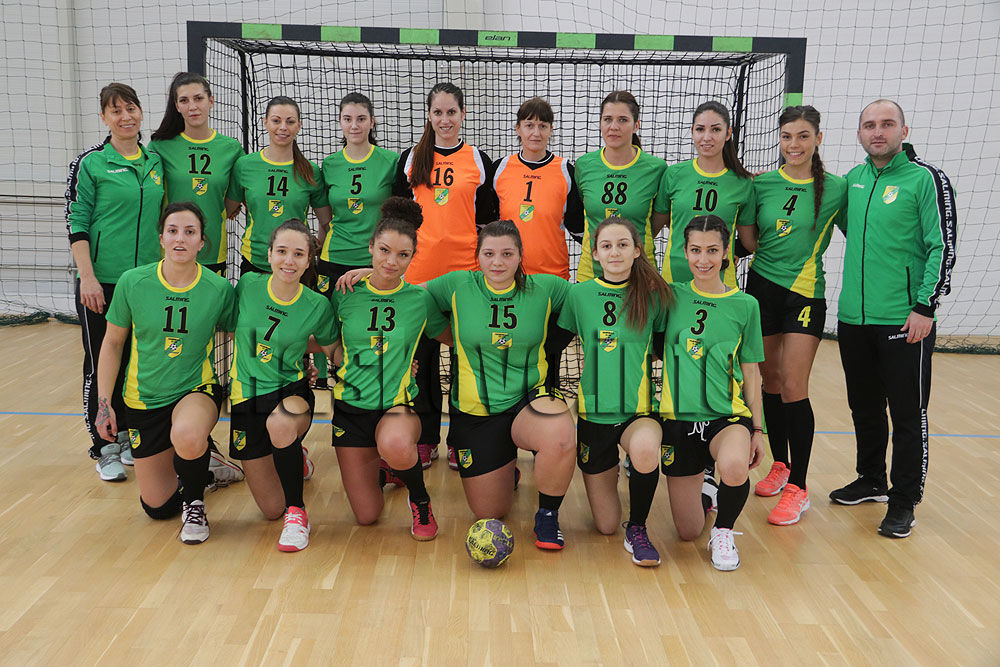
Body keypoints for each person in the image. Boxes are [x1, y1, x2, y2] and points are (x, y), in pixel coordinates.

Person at [830, 99, 957, 539]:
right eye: (869, 125)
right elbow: (850, 228)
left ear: (904, 131)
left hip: (905, 321)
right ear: (859, 133)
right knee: (864, 408)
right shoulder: (854, 180)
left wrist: (925, 307)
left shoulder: (926, 179)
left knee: (907, 414)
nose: (877, 132)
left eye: (887, 124)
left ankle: (904, 501)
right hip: (854, 319)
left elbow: (943, 246)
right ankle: (871, 480)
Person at [425, 220, 576, 550]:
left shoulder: (545, 288)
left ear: (520, 256)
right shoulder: (457, 284)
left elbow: (591, 298)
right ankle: (506, 469)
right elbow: (409, 296)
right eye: (489, 254)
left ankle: (547, 516)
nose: (497, 262)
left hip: (529, 399)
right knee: (489, 512)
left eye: (507, 254)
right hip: (476, 413)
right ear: (477, 256)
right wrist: (369, 275)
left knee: (561, 435)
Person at [94, 202, 237, 544]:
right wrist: (104, 404)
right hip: (144, 400)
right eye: (172, 231)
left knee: (186, 434)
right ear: (161, 238)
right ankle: (207, 467)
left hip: (195, 389)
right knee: (158, 508)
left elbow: (240, 336)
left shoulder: (218, 289)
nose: (180, 239)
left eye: (190, 232)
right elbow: (112, 344)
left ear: (202, 241)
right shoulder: (133, 282)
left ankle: (195, 504)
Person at [739, 106, 847, 525]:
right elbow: (749, 240)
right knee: (770, 381)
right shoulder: (762, 184)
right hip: (762, 290)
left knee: (794, 386)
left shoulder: (837, 189)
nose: (794, 144)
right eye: (787, 136)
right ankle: (780, 465)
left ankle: (799, 488)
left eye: (803, 136)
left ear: (818, 138)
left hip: (804, 294)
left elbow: (860, 233)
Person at [393, 82, 497, 470]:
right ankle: (425, 439)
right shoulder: (410, 158)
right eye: (437, 112)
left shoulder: (478, 160)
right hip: (418, 280)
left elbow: (488, 221)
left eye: (451, 112)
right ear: (429, 115)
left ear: (463, 114)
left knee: (462, 365)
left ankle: (459, 440)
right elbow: (397, 220)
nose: (445, 119)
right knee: (421, 363)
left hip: (465, 280)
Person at [557, 218, 671, 566]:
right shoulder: (579, 295)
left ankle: (638, 528)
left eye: (623, 244)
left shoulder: (654, 296)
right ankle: (616, 476)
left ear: (637, 251)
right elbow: (554, 345)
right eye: (606, 246)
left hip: (638, 411)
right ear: (594, 254)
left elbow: (664, 350)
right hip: (594, 414)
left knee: (646, 449)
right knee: (606, 525)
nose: (615, 252)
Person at [66, 82, 165, 481]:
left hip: (145, 283)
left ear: (140, 112)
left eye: (131, 108)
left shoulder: (155, 161)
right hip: (102, 283)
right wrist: (87, 277)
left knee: (135, 363)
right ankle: (103, 445)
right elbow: (76, 222)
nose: (126, 117)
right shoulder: (90, 163)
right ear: (104, 118)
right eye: (116, 110)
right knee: (100, 365)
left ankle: (124, 435)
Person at [330, 216, 452, 540]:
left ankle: (420, 500)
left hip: (397, 407)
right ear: (371, 247)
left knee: (396, 443)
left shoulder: (420, 300)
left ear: (413, 257)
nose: (391, 261)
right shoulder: (345, 292)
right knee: (367, 516)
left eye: (402, 255)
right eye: (384, 250)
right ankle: (390, 471)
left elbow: (452, 337)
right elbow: (329, 342)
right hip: (351, 409)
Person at [658, 215, 764, 571]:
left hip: (726, 416)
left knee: (734, 466)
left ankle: (724, 530)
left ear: (726, 252)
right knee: (688, 530)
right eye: (695, 250)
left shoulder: (745, 305)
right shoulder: (670, 296)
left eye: (712, 250)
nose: (703, 259)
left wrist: (758, 429)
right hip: (678, 420)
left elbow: (752, 372)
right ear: (685, 252)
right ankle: (707, 490)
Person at [229, 219, 338, 551]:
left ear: (308, 261)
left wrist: (388, 363)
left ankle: (298, 513)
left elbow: (333, 350)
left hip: (291, 391)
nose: (289, 261)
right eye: (282, 252)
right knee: (270, 509)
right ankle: (294, 456)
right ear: (269, 255)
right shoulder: (247, 284)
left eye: (298, 254)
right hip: (246, 395)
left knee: (281, 424)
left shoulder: (317, 304)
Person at [492, 97, 584, 391]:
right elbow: (484, 227)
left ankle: (549, 406)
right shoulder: (500, 168)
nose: (536, 132)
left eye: (543, 126)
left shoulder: (565, 170)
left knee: (549, 355)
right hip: (508, 282)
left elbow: (579, 228)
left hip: (552, 281)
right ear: (517, 128)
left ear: (551, 130)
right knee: (508, 353)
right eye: (529, 125)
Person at [149, 72, 244, 275]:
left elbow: (238, 196)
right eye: (184, 100)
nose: (192, 106)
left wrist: (219, 208)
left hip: (212, 250)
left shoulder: (231, 148)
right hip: (172, 250)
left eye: (198, 98)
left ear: (211, 101)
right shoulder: (160, 146)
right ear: (177, 106)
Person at [226, 96, 332, 275]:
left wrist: (316, 249)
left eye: (290, 122)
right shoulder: (244, 166)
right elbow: (226, 211)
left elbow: (326, 222)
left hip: (295, 264)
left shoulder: (311, 171)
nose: (283, 127)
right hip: (255, 262)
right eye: (276, 121)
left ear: (299, 125)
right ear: (265, 122)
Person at [656, 101, 755, 288]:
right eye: (700, 129)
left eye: (716, 130)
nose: (707, 137)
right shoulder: (674, 174)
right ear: (692, 132)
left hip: (721, 281)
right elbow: (654, 228)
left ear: (728, 133)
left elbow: (749, 242)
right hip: (674, 281)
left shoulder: (742, 183)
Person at [574, 91, 667, 282]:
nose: (614, 127)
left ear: (636, 125)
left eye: (623, 120)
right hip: (591, 275)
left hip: (641, 275)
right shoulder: (584, 165)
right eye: (607, 119)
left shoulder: (656, 169)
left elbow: (655, 223)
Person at [317, 93, 398, 292]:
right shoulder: (329, 164)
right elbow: (325, 219)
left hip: (373, 259)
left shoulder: (391, 161)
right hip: (333, 256)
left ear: (372, 122)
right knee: (327, 311)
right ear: (340, 122)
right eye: (348, 119)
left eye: (361, 119)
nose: (354, 126)